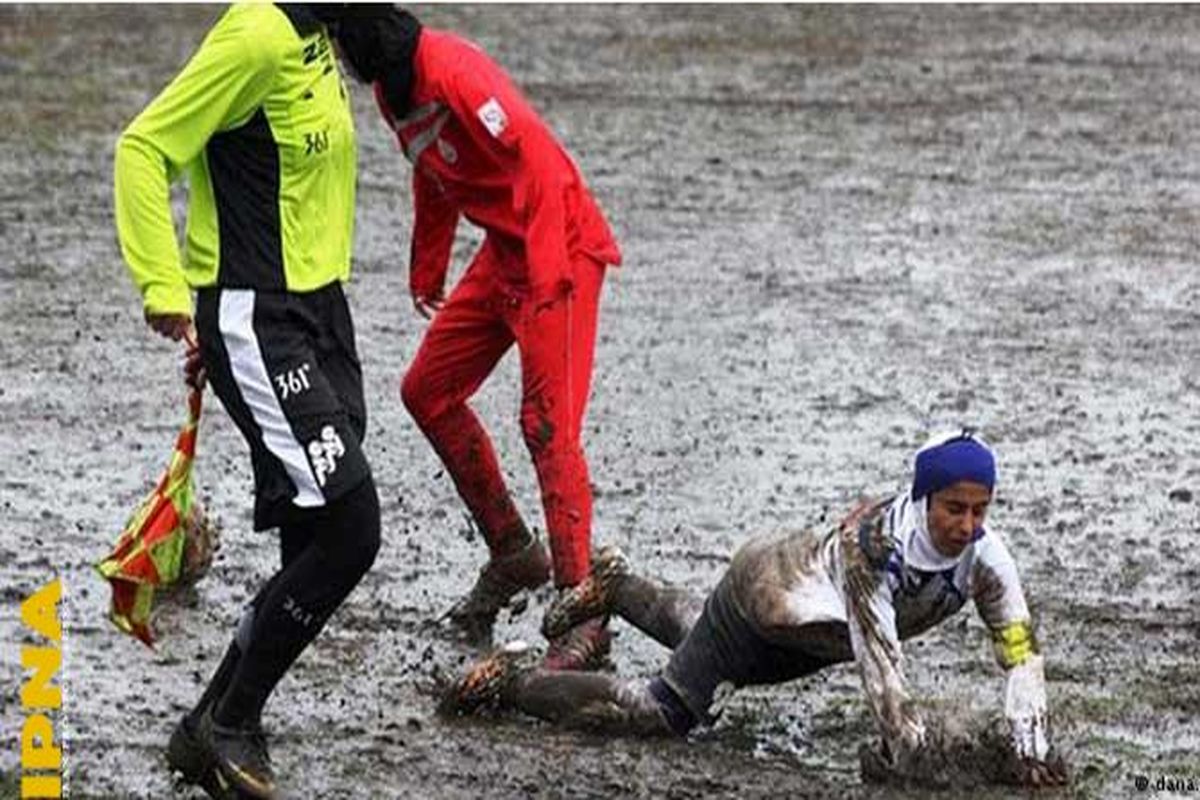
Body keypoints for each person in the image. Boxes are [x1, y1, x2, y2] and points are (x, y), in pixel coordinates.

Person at [444, 431, 1069, 788]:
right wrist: (910, 756)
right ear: (924, 497)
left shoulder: (989, 558)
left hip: (810, 631)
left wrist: (1031, 752)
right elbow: (883, 672)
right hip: (768, 597)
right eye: (953, 509)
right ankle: (512, 683)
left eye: (979, 510)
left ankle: (620, 586)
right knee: (667, 712)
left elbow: (1020, 654)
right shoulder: (876, 550)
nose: (967, 524)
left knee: (707, 647)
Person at [113, 4, 378, 797]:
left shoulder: (320, 31)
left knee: (314, 539)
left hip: (322, 315)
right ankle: (235, 721)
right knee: (350, 528)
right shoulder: (255, 36)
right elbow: (143, 147)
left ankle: (205, 726)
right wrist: (165, 288)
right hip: (258, 318)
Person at [331, 7, 623, 668]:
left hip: (560, 249)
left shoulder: (456, 72)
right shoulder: (392, 89)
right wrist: (427, 260)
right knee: (426, 391)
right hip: (504, 252)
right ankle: (514, 550)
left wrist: (549, 277)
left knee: (546, 427)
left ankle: (583, 615)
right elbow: (430, 165)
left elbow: (542, 164)